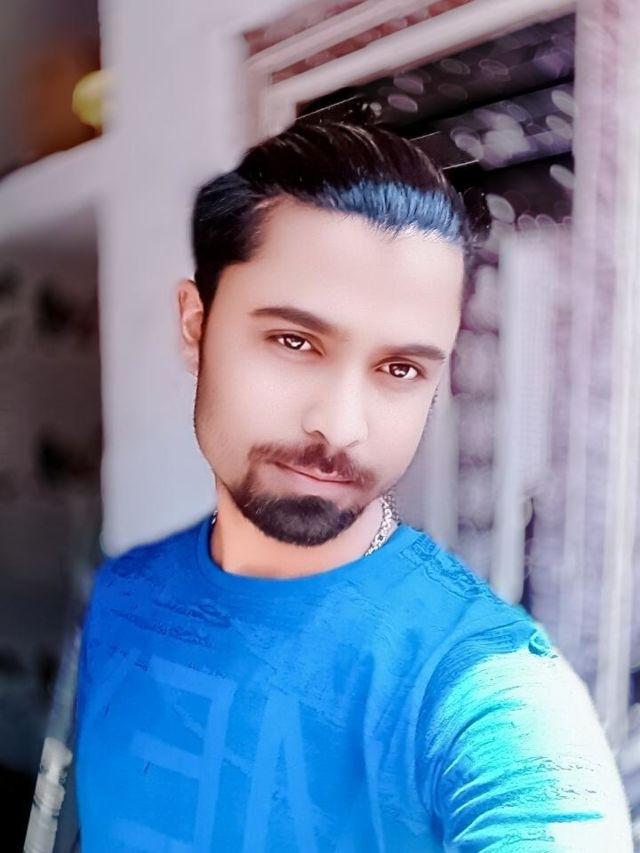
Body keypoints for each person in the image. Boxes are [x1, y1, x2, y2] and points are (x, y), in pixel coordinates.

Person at [74, 121, 633, 851]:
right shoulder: (124, 595)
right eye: (295, 341)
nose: (341, 427)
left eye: (400, 369)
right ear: (196, 326)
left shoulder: (484, 687)